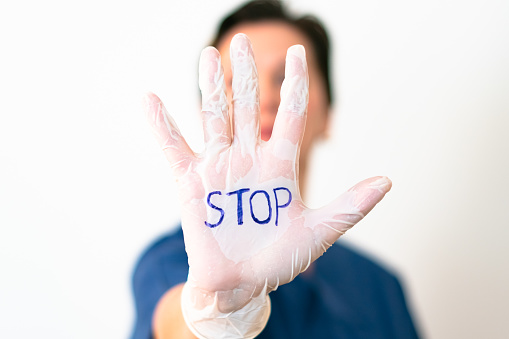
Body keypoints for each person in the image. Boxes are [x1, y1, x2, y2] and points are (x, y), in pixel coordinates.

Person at [131, 1, 419, 338]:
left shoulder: (379, 287)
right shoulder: (170, 262)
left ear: (328, 114)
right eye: (237, 82)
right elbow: (174, 325)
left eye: (285, 79)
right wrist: (219, 312)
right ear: (208, 111)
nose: (265, 97)